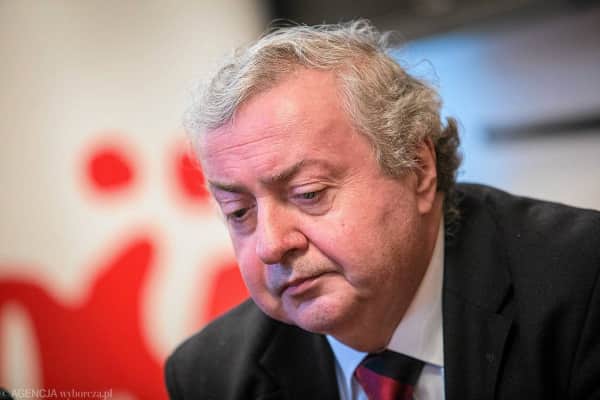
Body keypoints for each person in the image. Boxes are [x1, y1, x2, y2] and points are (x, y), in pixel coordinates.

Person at [165, 20, 600, 400]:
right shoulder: (211, 375)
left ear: (417, 167)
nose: (270, 245)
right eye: (239, 212)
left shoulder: (584, 284)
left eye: (308, 193)